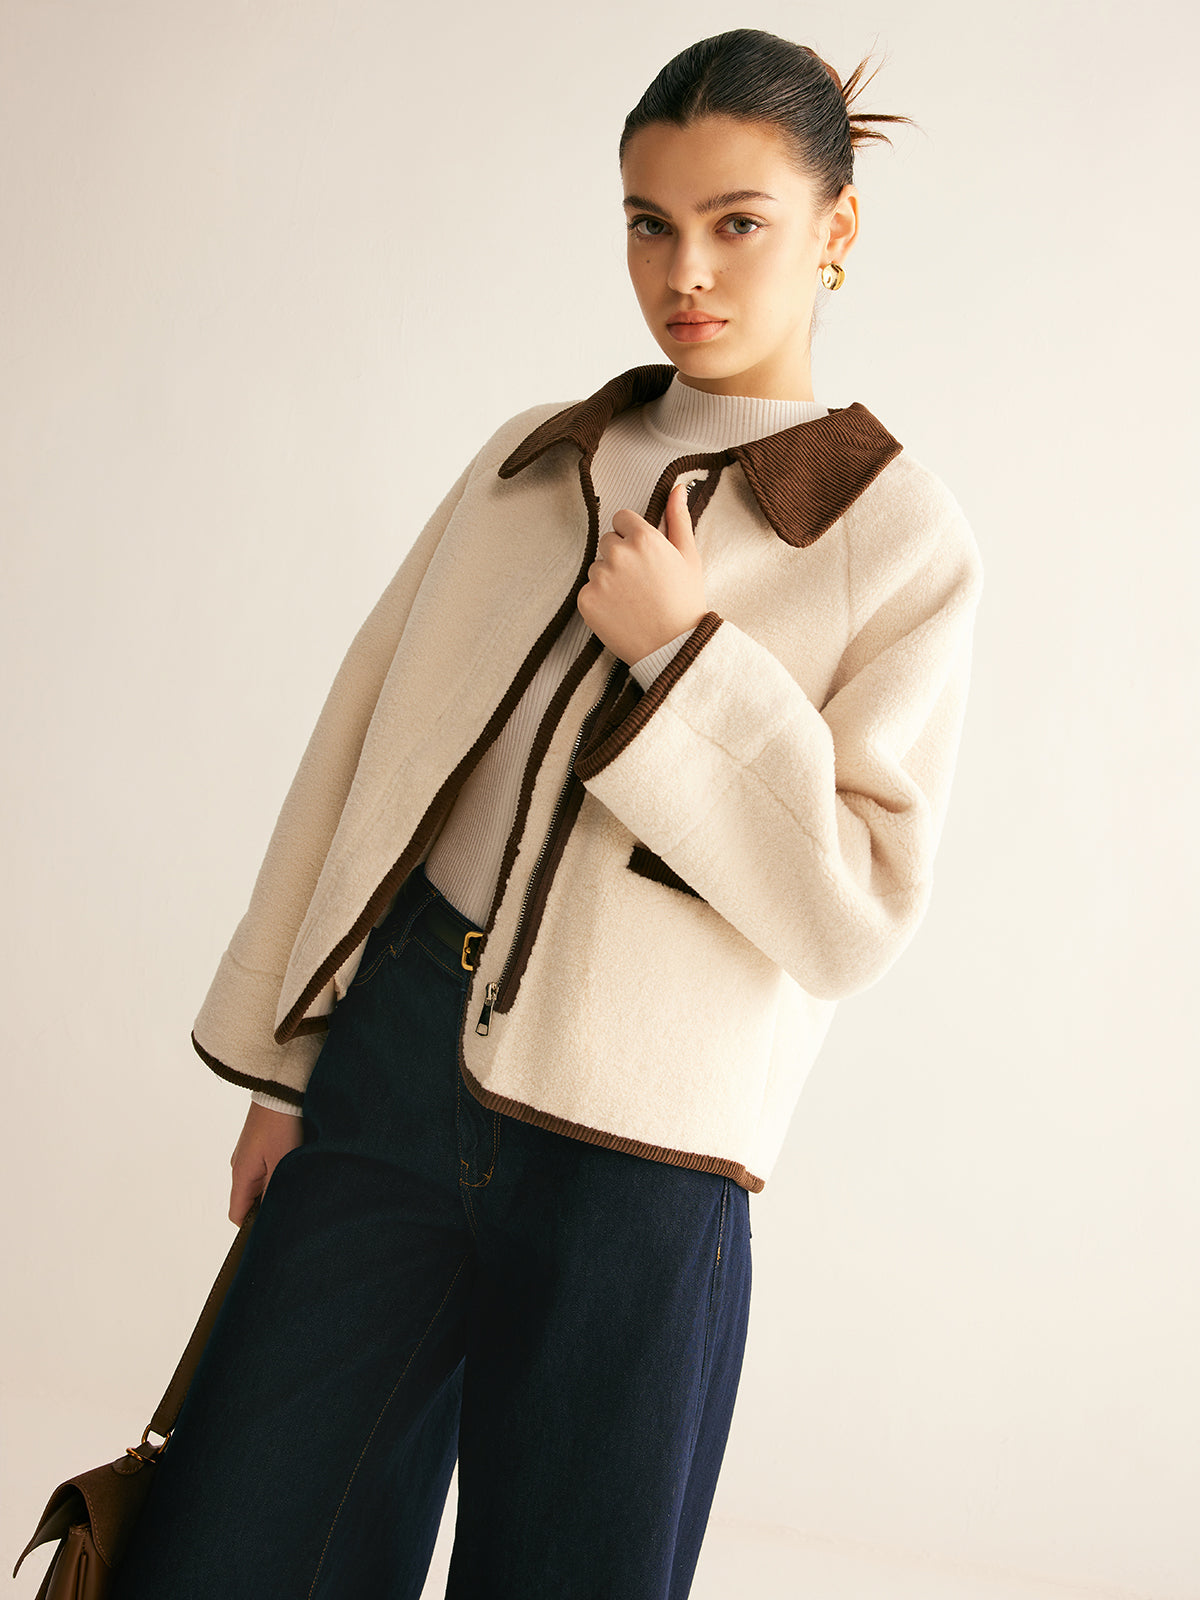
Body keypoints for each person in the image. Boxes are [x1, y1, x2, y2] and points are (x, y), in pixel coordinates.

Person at [109, 26, 984, 1600]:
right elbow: (357, 759)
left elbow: (855, 908)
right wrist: (286, 1066)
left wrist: (685, 659)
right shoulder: (529, 462)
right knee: (237, 1546)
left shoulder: (898, 537)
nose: (684, 272)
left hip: (641, 1160)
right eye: (651, 222)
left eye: (737, 222)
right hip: (389, 1076)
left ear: (836, 228)